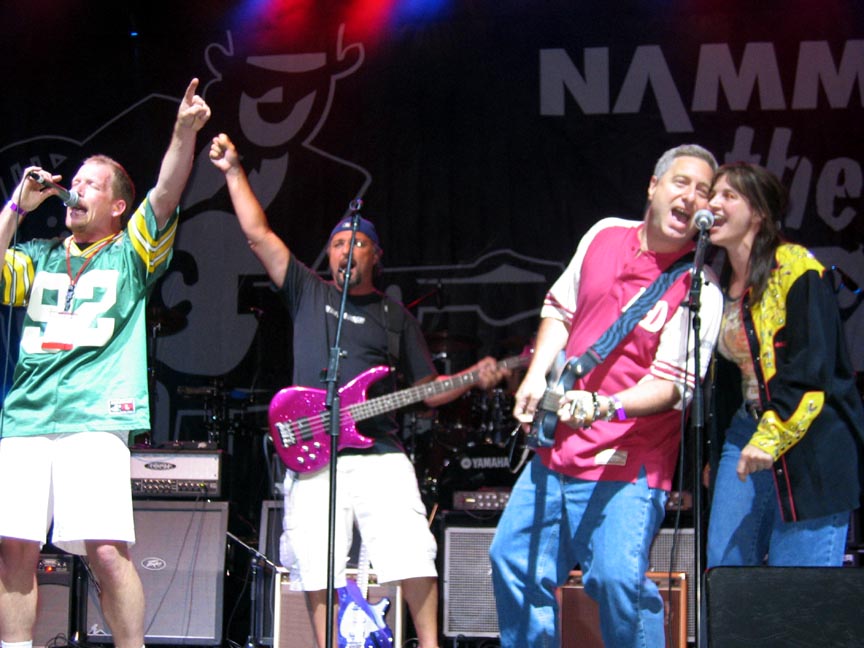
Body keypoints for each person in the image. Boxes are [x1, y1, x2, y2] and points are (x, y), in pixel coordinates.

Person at [208, 132, 506, 648]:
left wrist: (470, 378)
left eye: (357, 243)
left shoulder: (394, 317)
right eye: (339, 243)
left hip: (379, 451)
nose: (346, 250)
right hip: (313, 451)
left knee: (412, 550)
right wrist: (235, 171)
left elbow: (427, 390)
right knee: (315, 560)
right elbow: (259, 235)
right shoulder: (307, 290)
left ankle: (428, 644)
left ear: (376, 255)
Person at [0, 79, 211, 648]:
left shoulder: (131, 250)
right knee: (13, 547)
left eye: (90, 184)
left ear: (118, 206)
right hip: (25, 417)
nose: (75, 189)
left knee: (108, 551)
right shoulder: (36, 256)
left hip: (95, 417)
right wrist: (17, 206)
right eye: (75, 182)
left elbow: (165, 192)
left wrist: (182, 132)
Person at [489, 144, 724, 647]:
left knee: (617, 583)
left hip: (630, 460)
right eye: (681, 182)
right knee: (512, 560)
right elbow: (561, 308)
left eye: (703, 191)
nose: (690, 197)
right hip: (557, 452)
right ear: (653, 187)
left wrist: (603, 406)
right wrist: (536, 375)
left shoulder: (700, 289)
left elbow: (674, 387)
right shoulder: (603, 234)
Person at [704, 162, 864, 569]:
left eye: (728, 196)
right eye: (713, 195)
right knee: (724, 567)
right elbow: (726, 381)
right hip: (746, 428)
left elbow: (813, 369)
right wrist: (716, 450)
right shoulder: (719, 280)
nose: (713, 204)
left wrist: (770, 437)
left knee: (798, 583)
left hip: (811, 434)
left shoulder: (795, 266)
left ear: (758, 212)